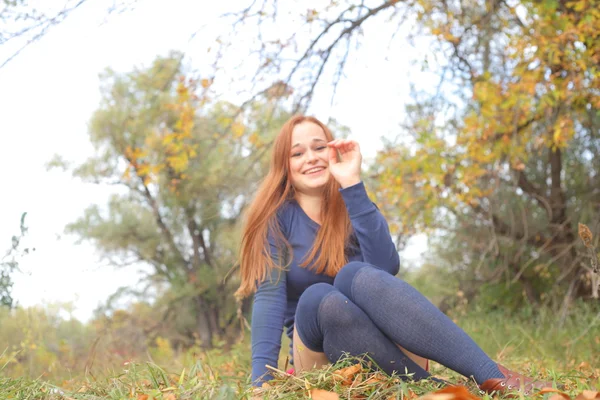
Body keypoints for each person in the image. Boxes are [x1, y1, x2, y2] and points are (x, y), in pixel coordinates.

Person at [235, 115, 556, 396]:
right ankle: (436, 390)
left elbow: (385, 268)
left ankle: (492, 377)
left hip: (387, 346)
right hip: (317, 356)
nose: (311, 158)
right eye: (297, 152)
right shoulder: (275, 220)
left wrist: (352, 183)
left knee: (351, 274)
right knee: (321, 296)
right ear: (285, 165)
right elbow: (269, 299)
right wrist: (261, 381)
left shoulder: (353, 203)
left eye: (319, 147)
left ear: (332, 151)